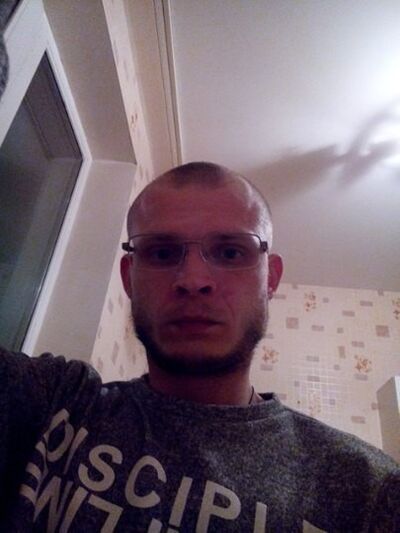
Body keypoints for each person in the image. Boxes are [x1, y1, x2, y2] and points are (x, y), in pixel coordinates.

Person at [0, 162, 398, 532]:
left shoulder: (367, 491)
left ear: (270, 279)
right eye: (161, 252)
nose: (192, 280)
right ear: (129, 277)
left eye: (230, 252)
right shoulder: (58, 405)